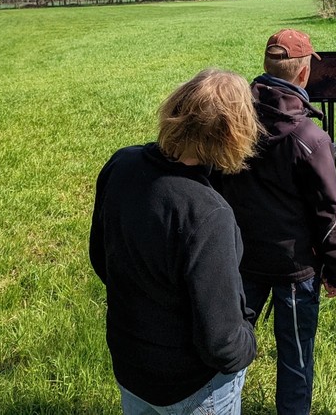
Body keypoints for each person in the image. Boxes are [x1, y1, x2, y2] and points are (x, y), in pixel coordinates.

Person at [89, 69, 259, 415]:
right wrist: (248, 341)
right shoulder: (208, 214)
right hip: (193, 386)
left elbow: (100, 258)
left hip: (131, 363)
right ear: (232, 134)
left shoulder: (121, 164)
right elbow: (221, 343)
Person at [218, 28, 336, 415]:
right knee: (296, 358)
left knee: (230, 346)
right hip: (295, 269)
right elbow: (329, 214)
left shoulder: (232, 119)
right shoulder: (310, 137)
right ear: (305, 74)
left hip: (240, 257)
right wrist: (335, 270)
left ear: (265, 65)